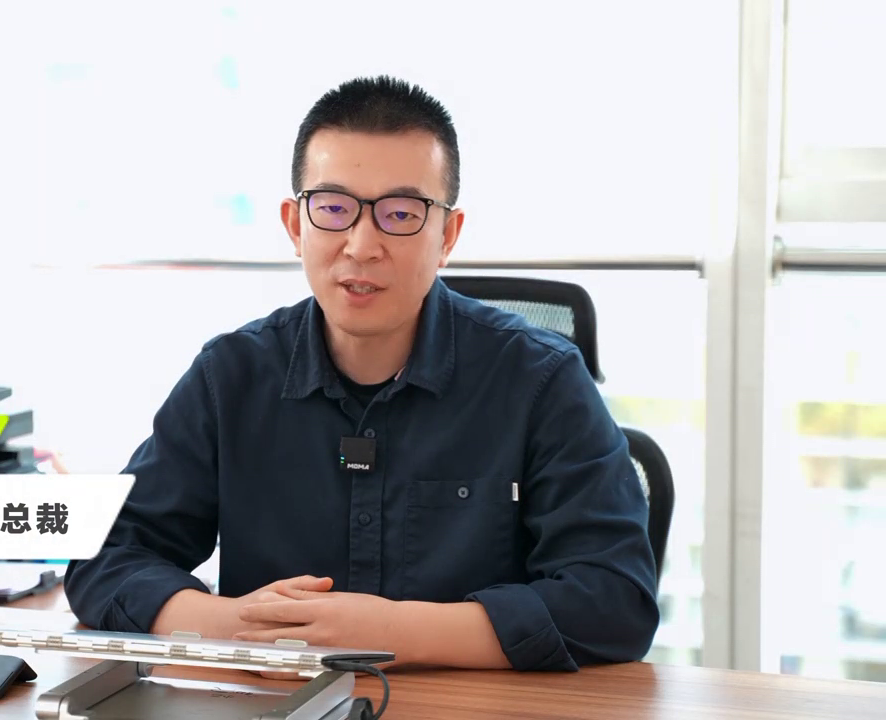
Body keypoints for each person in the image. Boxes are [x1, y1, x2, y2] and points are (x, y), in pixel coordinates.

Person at [64, 75, 659, 672]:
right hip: (277, 703)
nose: (361, 245)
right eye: (332, 208)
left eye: (401, 213)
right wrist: (240, 626)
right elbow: (105, 558)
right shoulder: (231, 377)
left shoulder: (540, 379)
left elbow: (614, 599)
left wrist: (396, 631)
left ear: (447, 235)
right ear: (295, 225)